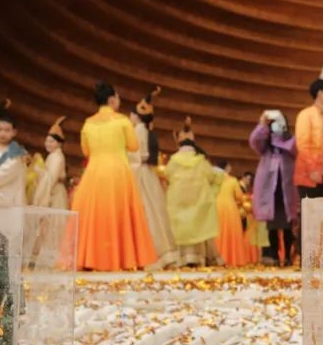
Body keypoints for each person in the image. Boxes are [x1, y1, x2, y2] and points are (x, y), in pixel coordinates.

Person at [71, 81, 157, 271]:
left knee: (96, 216)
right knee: (119, 214)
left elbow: (86, 151)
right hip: (118, 171)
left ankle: (92, 259)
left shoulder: (87, 123)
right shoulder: (122, 121)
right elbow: (134, 146)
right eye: (117, 96)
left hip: (94, 172)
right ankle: (122, 258)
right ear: (111, 100)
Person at [129, 87, 178, 270]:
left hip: (140, 173)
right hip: (147, 173)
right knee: (154, 211)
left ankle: (150, 253)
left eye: (132, 114)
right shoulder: (145, 130)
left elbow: (138, 155)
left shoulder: (138, 130)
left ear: (137, 116)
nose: (130, 117)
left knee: (146, 212)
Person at [166, 126, 223, 267]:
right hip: (199, 199)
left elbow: (167, 175)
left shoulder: (173, 160)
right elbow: (212, 176)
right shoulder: (201, 160)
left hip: (178, 199)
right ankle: (198, 258)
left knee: (182, 229)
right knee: (198, 228)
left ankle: (183, 258)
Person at [250, 110, 298, 266]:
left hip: (286, 191)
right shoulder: (265, 146)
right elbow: (254, 141)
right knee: (272, 227)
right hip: (270, 192)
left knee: (287, 226)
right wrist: (262, 125)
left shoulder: (291, 140)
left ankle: (288, 256)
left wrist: (282, 136)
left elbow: (296, 149)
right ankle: (274, 256)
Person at [295, 78, 323, 208]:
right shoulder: (305, 115)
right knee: (310, 215)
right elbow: (303, 145)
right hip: (308, 176)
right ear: (320, 93)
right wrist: (312, 169)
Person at [215, 161, 249, 266]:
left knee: (217, 233)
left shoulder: (214, 180)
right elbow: (239, 196)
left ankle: (217, 258)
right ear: (227, 168)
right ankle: (231, 258)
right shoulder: (233, 180)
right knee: (231, 233)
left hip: (216, 207)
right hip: (230, 208)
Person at [33, 117, 69, 208]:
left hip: (55, 195)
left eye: (51, 141)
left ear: (59, 144)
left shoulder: (57, 157)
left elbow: (51, 179)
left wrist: (38, 170)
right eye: (47, 141)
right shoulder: (52, 155)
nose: (48, 144)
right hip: (52, 192)